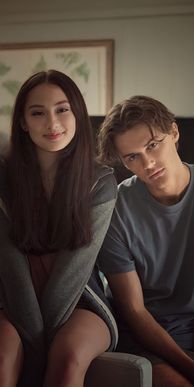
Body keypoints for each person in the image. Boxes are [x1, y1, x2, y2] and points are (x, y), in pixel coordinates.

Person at [97, 95, 194, 387]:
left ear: (173, 133)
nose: (147, 163)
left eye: (152, 145)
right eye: (132, 157)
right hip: (142, 340)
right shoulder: (115, 210)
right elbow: (133, 310)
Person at [0, 70, 118, 387]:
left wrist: (39, 346)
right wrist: (32, 336)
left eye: (62, 110)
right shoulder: (3, 176)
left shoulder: (100, 181)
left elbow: (75, 270)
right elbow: (9, 262)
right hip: (11, 295)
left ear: (77, 113)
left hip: (80, 298)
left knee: (67, 360)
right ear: (23, 122)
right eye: (38, 113)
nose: (52, 123)